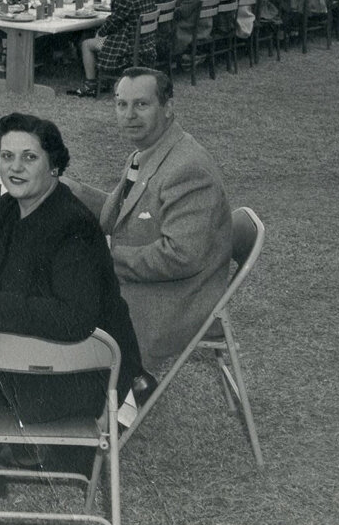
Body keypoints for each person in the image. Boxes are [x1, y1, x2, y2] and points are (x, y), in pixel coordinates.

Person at [0, 114, 142, 428]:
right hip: (32, 353)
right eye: (7, 156)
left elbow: (76, 317)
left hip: (80, 368)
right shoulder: (6, 208)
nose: (15, 167)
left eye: (29, 157)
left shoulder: (74, 226)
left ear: (54, 166)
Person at [65, 69, 233, 377]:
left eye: (141, 105)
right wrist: (71, 190)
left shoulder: (188, 168)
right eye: (121, 105)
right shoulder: (150, 151)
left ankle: (87, 396)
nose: (129, 115)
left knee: (54, 297)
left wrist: (102, 257)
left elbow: (182, 255)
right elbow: (123, 213)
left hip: (173, 301)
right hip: (154, 284)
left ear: (168, 107)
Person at [70, 0, 157, 97]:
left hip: (125, 45)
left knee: (87, 43)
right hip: (145, 43)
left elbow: (113, 22)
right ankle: (100, 79)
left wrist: (100, 32)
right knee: (94, 37)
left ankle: (90, 84)